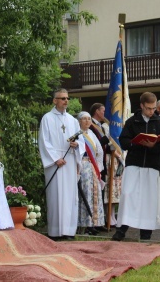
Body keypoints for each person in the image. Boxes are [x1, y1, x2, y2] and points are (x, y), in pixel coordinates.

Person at [112, 92, 160, 241]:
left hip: (152, 165)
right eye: (148, 108)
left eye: (154, 108)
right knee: (129, 196)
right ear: (142, 106)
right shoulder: (132, 121)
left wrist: (152, 146)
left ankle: (146, 233)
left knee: (149, 199)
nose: (151, 111)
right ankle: (121, 230)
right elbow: (123, 141)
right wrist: (136, 143)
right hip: (134, 164)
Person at [38, 89, 84, 240]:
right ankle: (55, 231)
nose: (66, 101)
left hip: (70, 161)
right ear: (55, 101)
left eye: (67, 98)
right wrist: (55, 158)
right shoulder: (47, 118)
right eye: (62, 98)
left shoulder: (72, 120)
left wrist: (76, 145)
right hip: (55, 163)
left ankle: (69, 231)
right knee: (56, 195)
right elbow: (44, 141)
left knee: (70, 196)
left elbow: (81, 140)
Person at [89, 102, 121, 227]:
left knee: (102, 192)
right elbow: (95, 143)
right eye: (102, 111)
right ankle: (98, 221)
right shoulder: (91, 125)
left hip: (102, 161)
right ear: (96, 111)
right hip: (95, 161)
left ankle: (103, 219)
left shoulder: (101, 126)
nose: (104, 113)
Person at [76, 112, 105, 235]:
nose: (87, 121)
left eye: (89, 119)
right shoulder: (77, 134)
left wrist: (98, 168)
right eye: (84, 119)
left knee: (95, 194)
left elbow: (99, 152)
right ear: (79, 121)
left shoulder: (92, 134)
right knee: (85, 194)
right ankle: (83, 224)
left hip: (92, 167)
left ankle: (93, 223)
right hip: (82, 167)